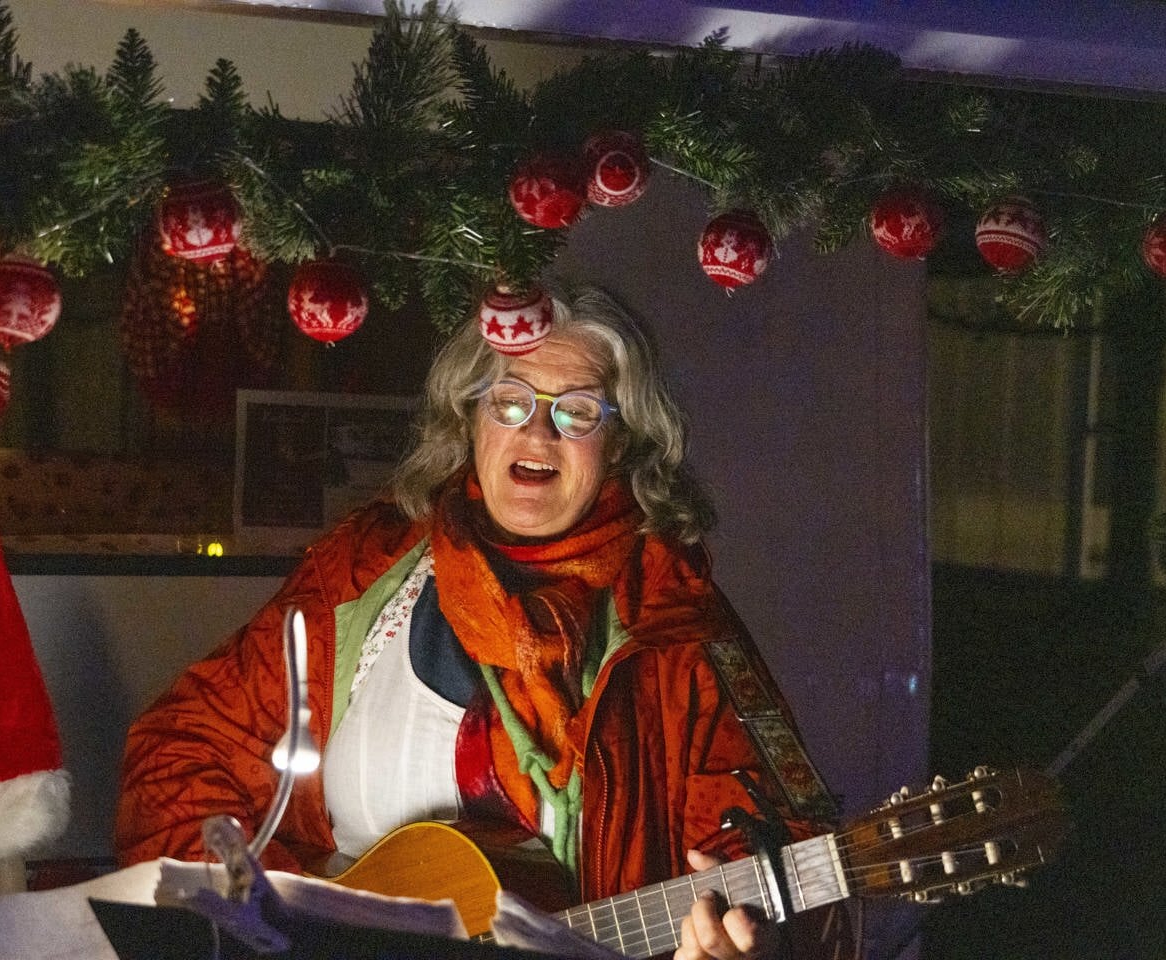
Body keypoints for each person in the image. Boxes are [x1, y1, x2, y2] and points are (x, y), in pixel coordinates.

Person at [115, 282, 852, 960]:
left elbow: (784, 849)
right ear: (469, 417)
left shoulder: (677, 628)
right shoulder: (364, 569)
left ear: (622, 442)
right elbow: (181, 752)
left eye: (579, 411)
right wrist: (275, 922)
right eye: (510, 402)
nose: (538, 434)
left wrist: (744, 949)